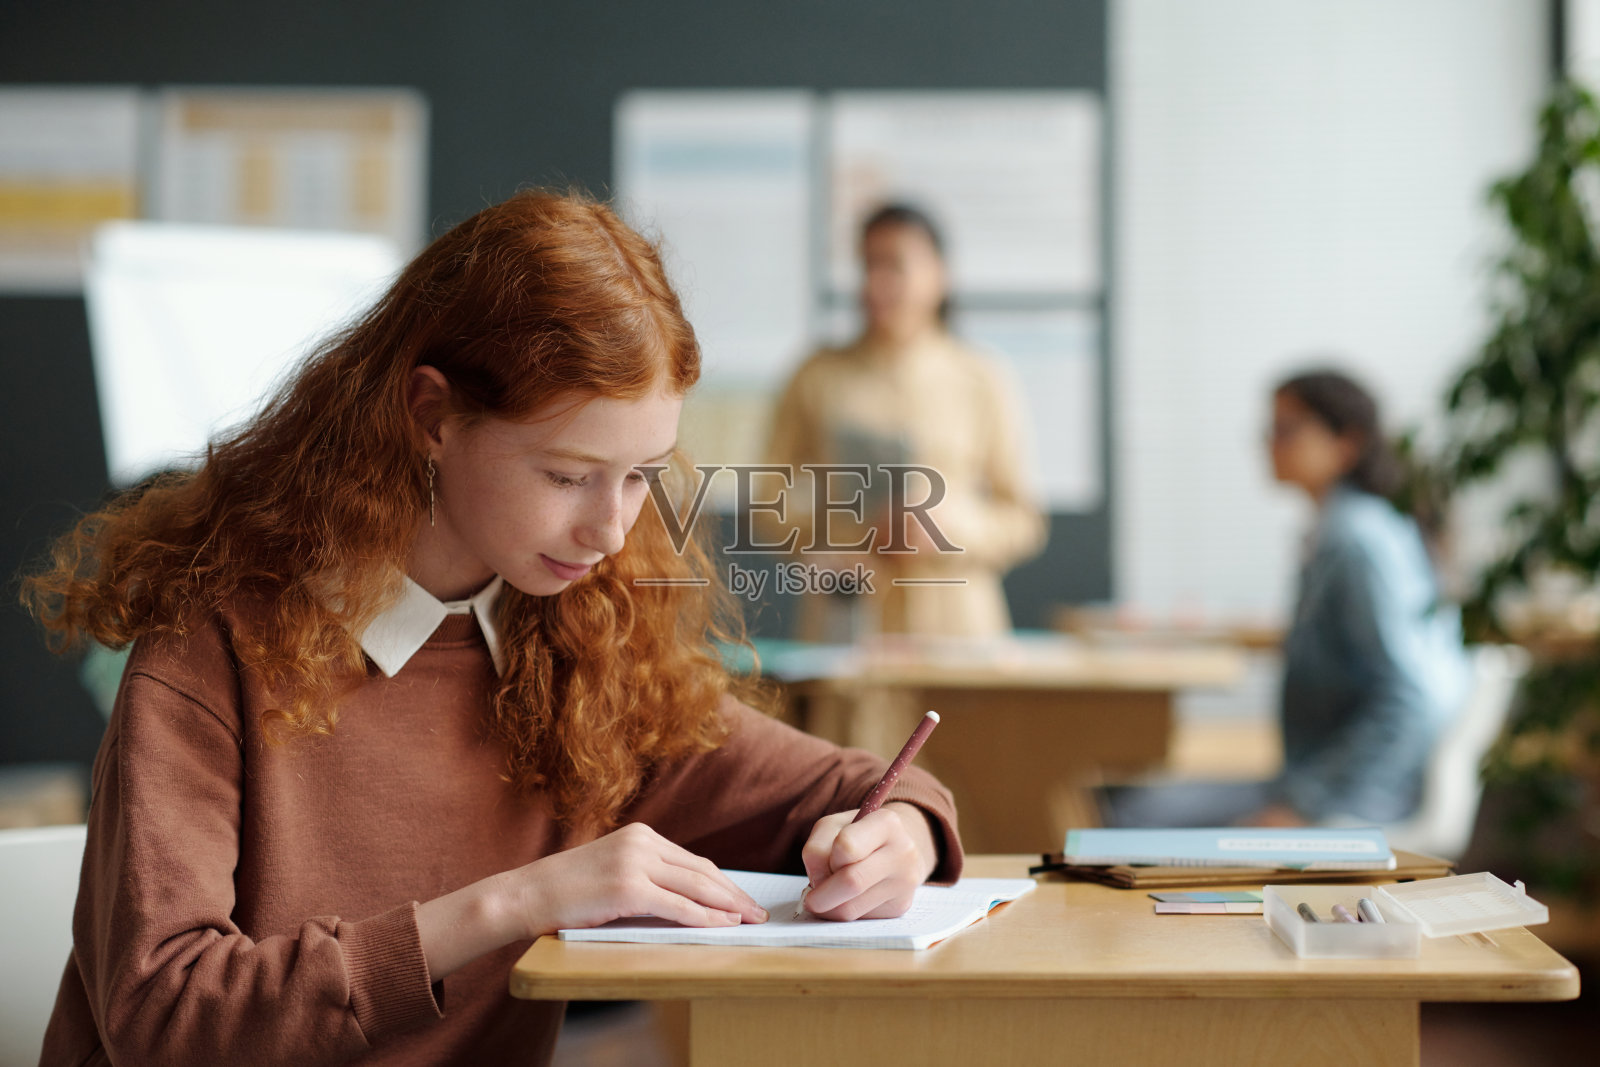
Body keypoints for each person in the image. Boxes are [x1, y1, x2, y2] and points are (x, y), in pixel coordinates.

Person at [23, 190, 962, 1067]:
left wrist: (904, 836)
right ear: (432, 415)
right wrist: (523, 900)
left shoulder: (577, 641)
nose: (611, 530)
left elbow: (862, 785)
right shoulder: (212, 640)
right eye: (568, 475)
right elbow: (164, 1014)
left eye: (642, 475)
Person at [1104, 369, 1470, 828]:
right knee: (1130, 802)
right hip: (1318, 780)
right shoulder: (1345, 530)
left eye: (1286, 429)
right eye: (1268, 430)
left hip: (1351, 799)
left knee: (1130, 816)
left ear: (1347, 442)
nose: (1267, 444)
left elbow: (1411, 698)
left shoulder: (1356, 541)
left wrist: (1302, 807)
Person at [764, 203, 1045, 640]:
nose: (877, 283)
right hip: (848, 620)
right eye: (868, 265)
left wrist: (949, 525)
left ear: (940, 275)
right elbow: (768, 501)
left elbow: (1023, 520)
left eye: (894, 266)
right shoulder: (816, 376)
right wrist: (837, 538)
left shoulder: (981, 378)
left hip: (956, 629)